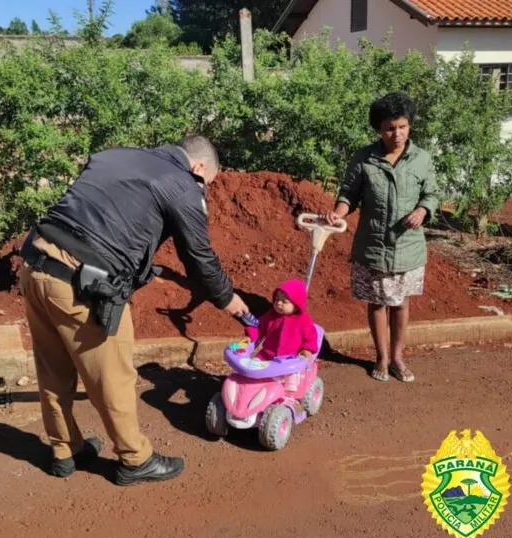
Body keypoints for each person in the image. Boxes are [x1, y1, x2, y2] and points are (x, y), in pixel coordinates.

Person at [18, 135, 249, 484]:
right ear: (198, 167)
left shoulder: (117, 155)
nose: (201, 189)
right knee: (113, 376)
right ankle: (134, 459)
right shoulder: (182, 184)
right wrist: (230, 300)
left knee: (53, 369)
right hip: (81, 285)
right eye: (204, 183)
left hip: (35, 265)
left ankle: (65, 450)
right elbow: (198, 257)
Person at [325, 91, 439, 383]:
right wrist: (338, 213)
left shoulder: (422, 159)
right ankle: (382, 356)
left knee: (401, 303)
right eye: (390, 128)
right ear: (379, 129)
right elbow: (348, 194)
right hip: (374, 245)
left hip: (408, 247)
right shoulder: (364, 159)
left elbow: (432, 194)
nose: (397, 133)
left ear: (410, 125)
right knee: (377, 302)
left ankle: (398, 356)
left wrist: (423, 211)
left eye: (402, 126)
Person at [243, 278, 318, 396]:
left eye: (284, 301)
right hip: (267, 356)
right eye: (277, 299)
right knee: (251, 371)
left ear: (296, 304)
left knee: (292, 379)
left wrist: (306, 349)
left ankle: (289, 398)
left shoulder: (303, 321)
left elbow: (311, 337)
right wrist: (250, 337)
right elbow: (259, 326)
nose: (278, 303)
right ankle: (252, 392)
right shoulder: (271, 316)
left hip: (289, 360)